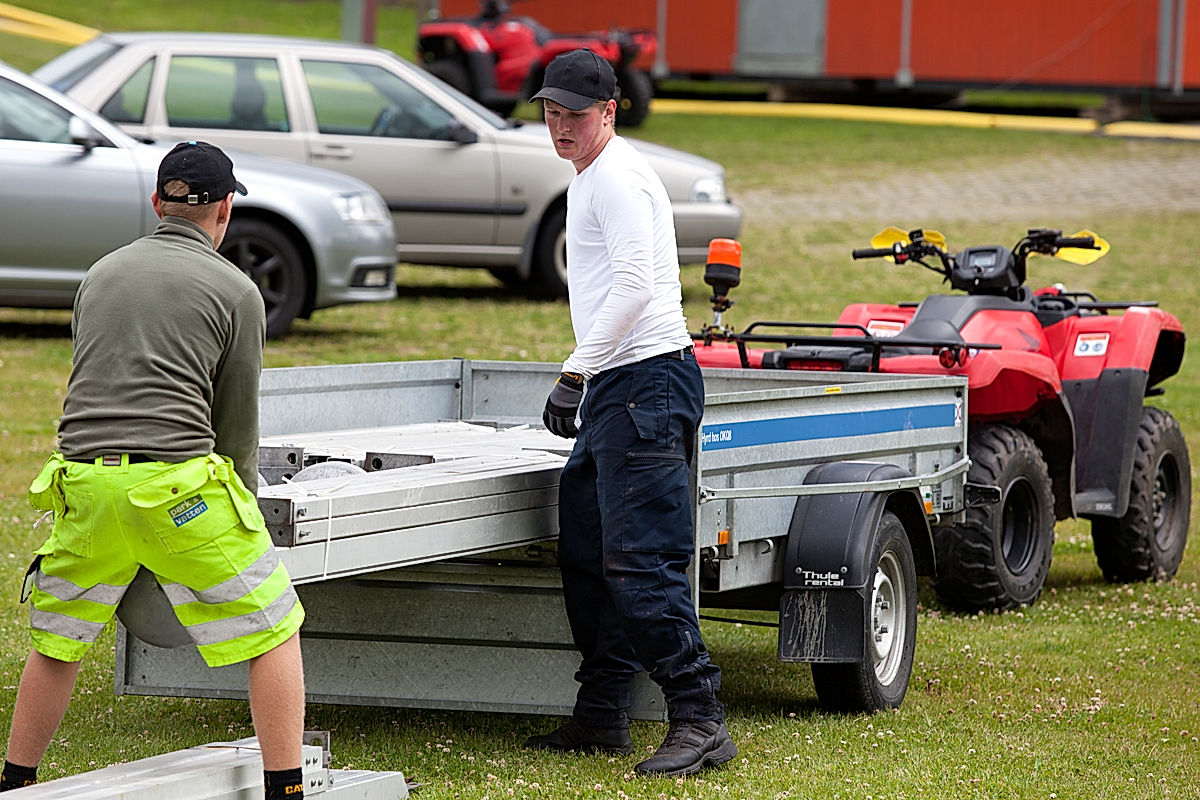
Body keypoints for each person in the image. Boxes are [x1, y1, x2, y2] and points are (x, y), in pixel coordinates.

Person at [2, 142, 307, 799]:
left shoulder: (100, 274)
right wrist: (245, 513)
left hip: (81, 481)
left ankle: (14, 779)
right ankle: (287, 789)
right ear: (226, 210)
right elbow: (236, 428)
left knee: (59, 643)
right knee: (275, 628)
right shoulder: (236, 291)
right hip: (176, 488)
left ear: (157, 204)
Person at [524, 49, 737, 777]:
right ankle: (602, 714)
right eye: (551, 114)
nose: (560, 128)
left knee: (638, 561)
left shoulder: (615, 179)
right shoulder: (590, 174)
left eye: (574, 116)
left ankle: (700, 717)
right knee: (587, 551)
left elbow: (639, 290)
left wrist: (574, 372)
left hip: (644, 383)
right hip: (624, 388)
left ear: (608, 112)